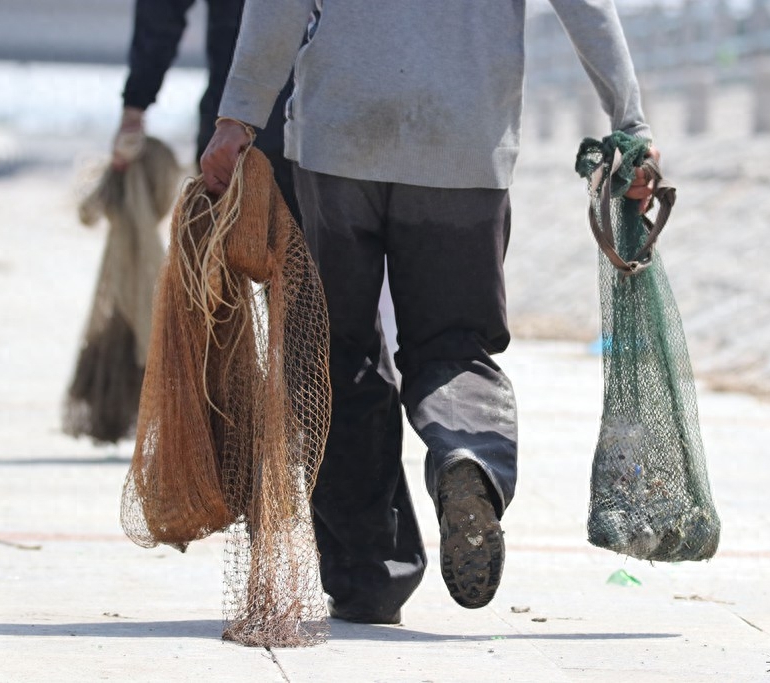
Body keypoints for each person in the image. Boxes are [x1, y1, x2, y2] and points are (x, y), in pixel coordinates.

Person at [201, 0, 659, 625]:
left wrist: (238, 118)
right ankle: (466, 457)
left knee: (337, 354)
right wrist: (630, 121)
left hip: (341, 135)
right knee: (453, 344)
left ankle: (371, 577)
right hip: (464, 141)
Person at [111, 0, 298, 222]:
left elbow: (161, 13)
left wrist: (135, 107)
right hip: (318, 130)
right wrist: (136, 102)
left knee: (224, 247)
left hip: (237, 129)